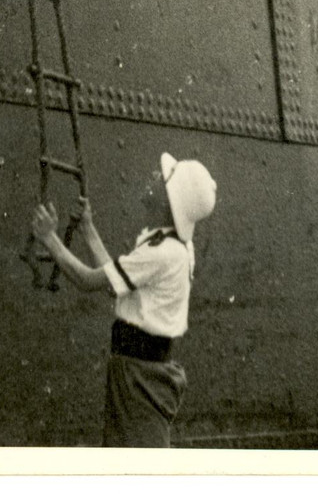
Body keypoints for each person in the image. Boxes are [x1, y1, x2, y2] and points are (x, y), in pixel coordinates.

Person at [30, 153, 217, 447]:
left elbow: (89, 280)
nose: (154, 179)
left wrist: (49, 238)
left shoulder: (160, 253)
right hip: (140, 372)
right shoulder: (173, 246)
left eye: (162, 180)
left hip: (139, 377)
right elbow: (116, 283)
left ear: (170, 202)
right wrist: (89, 229)